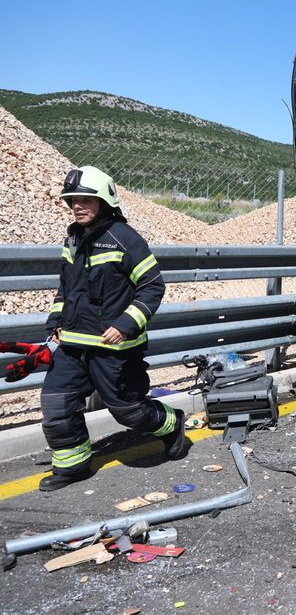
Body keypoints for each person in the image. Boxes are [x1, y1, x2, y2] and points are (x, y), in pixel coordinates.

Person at [38, 166, 188, 491]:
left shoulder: (125, 239)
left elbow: (152, 286)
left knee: (129, 411)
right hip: (71, 344)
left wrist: (125, 324)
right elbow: (65, 288)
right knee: (57, 404)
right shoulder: (73, 239)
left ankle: (172, 423)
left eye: (86, 200)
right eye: (73, 200)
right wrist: (54, 327)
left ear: (104, 200)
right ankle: (72, 466)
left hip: (115, 348)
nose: (78, 206)